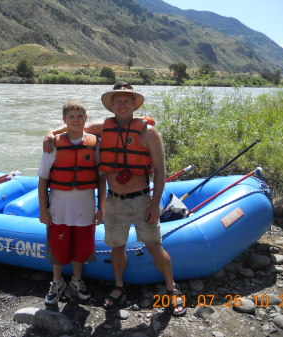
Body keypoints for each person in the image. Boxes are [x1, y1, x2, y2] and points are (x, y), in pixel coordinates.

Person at [43, 82, 186, 316]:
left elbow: (160, 171)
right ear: (111, 105)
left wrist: (154, 203)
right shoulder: (102, 127)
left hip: (142, 200)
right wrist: (51, 133)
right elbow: (75, 126)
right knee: (116, 248)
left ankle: (172, 288)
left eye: (126, 100)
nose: (122, 104)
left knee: (154, 246)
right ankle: (118, 286)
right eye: (117, 100)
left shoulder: (148, 131)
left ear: (134, 104)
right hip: (114, 201)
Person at [38, 100, 106, 306]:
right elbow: (43, 180)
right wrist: (43, 209)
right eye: (71, 117)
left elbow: (101, 179)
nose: (75, 120)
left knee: (81, 247)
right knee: (58, 247)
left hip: (85, 208)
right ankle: (57, 282)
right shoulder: (53, 144)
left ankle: (77, 280)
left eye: (79, 117)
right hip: (59, 208)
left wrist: (101, 207)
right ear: (64, 120)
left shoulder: (95, 143)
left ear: (86, 119)